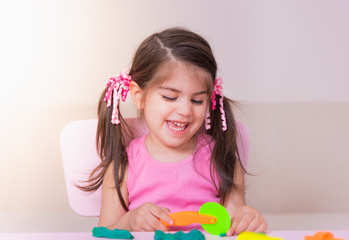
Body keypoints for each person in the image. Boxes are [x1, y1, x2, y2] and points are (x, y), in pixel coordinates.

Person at [80, 27, 267, 236]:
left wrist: (246, 220)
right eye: (170, 97)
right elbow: (104, 232)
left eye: (197, 100)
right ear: (138, 96)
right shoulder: (124, 165)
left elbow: (235, 224)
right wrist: (130, 220)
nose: (185, 110)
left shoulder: (221, 159)